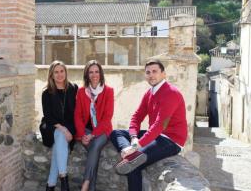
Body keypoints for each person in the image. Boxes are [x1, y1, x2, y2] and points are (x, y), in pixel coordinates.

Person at [110, 59, 187, 191]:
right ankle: (126, 151)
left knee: (132, 163)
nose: (151, 75)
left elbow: (159, 125)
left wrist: (136, 146)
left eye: (155, 71)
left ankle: (131, 156)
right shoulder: (150, 93)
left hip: (171, 141)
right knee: (116, 133)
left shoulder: (171, 93)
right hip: (157, 136)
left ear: (163, 74)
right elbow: (137, 116)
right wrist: (133, 138)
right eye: (148, 72)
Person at [74, 60, 114, 191]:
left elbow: (107, 118)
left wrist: (92, 135)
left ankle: (85, 183)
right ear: (87, 75)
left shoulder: (109, 91)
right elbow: (78, 116)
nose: (94, 74)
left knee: (96, 145)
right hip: (86, 130)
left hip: (102, 130)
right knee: (94, 151)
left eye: (97, 71)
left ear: (101, 74)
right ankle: (91, 188)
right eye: (91, 72)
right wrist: (83, 135)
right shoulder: (81, 92)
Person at [42, 60, 78, 191]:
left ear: (65, 72)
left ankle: (51, 185)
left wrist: (70, 129)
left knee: (59, 144)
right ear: (51, 75)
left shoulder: (73, 88)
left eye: (61, 71)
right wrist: (63, 129)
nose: (59, 74)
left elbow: (77, 111)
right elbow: (48, 116)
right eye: (56, 72)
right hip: (53, 126)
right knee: (60, 136)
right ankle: (63, 178)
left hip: (70, 125)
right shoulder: (47, 93)